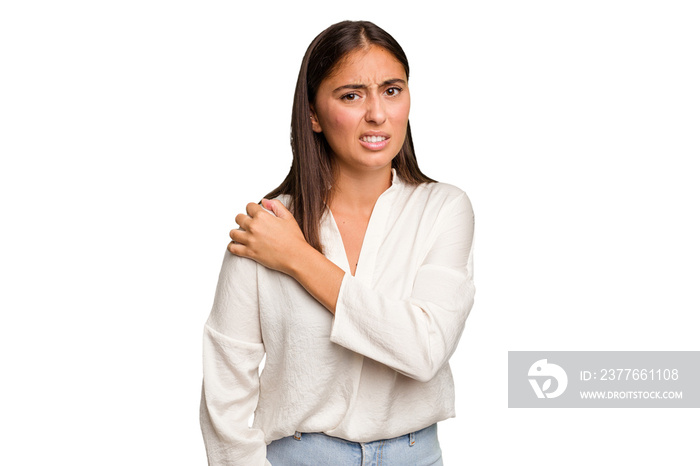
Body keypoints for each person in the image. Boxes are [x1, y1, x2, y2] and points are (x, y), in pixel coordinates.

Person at [200, 20, 475, 466]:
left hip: (414, 455)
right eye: (351, 95)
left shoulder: (443, 209)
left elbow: (424, 349)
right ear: (312, 114)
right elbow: (226, 384)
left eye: (391, 90)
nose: (377, 114)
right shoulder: (269, 224)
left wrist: (297, 259)